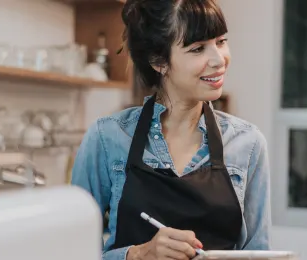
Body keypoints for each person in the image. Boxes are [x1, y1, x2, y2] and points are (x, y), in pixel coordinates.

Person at [71, 0, 271, 259]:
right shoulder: (107, 139)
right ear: (159, 61)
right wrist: (140, 254)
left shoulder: (249, 144)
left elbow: (260, 255)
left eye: (221, 42)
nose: (219, 59)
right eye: (198, 48)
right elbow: (73, 251)